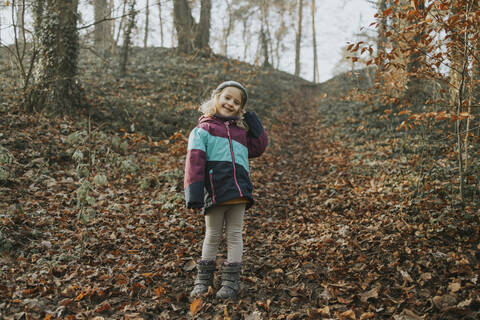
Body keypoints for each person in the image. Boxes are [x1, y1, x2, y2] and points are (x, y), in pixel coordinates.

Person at [184, 80, 268, 299]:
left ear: (241, 109)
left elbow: (259, 146)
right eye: (227, 98)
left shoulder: (241, 132)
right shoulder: (203, 130)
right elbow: (194, 163)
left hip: (239, 192)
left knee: (234, 234)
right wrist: (193, 193)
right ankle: (203, 281)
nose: (231, 104)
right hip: (215, 191)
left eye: (237, 102)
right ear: (217, 97)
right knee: (211, 235)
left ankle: (230, 282)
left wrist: (252, 121)